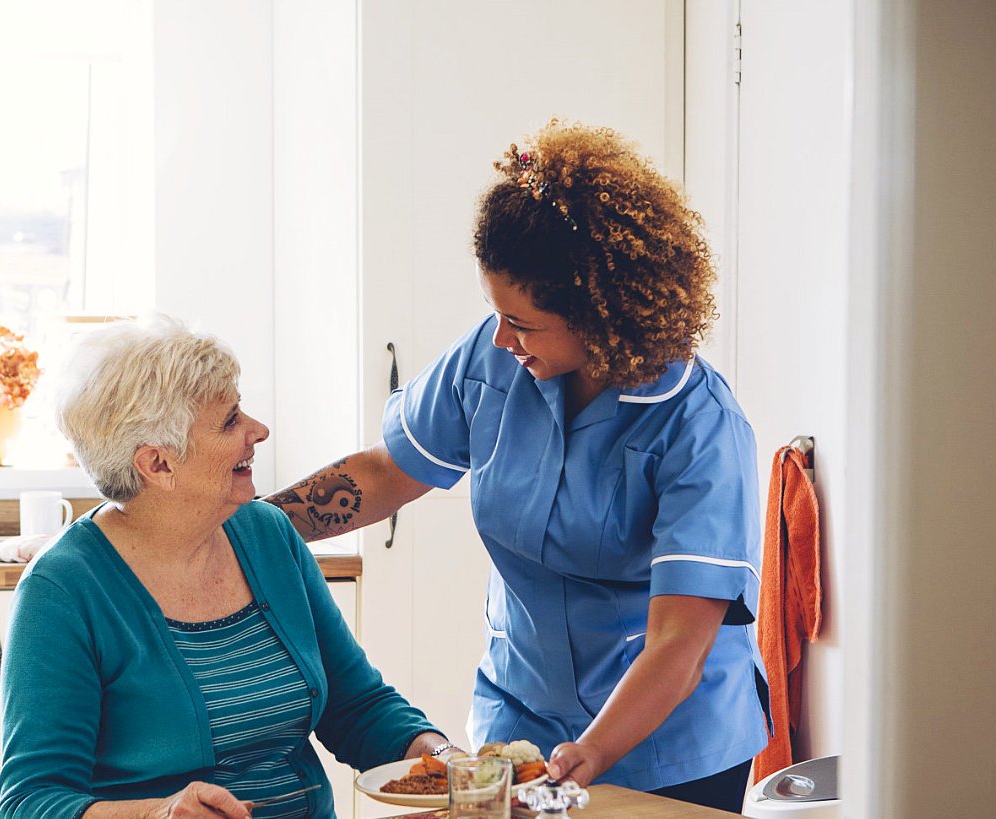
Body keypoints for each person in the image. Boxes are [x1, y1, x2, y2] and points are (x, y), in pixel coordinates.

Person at [265, 120, 770, 812]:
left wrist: (592, 751)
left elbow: (680, 641)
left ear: (599, 312)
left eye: (523, 322)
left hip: (667, 743)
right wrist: (251, 525)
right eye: (494, 312)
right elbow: (386, 473)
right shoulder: (493, 357)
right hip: (521, 722)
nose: (502, 337)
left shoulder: (699, 425)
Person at [0, 314, 452, 819]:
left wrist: (445, 761)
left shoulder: (268, 535)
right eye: (231, 421)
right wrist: (159, 814)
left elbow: (358, 707)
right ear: (158, 464)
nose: (258, 431)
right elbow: (30, 802)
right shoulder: (62, 590)